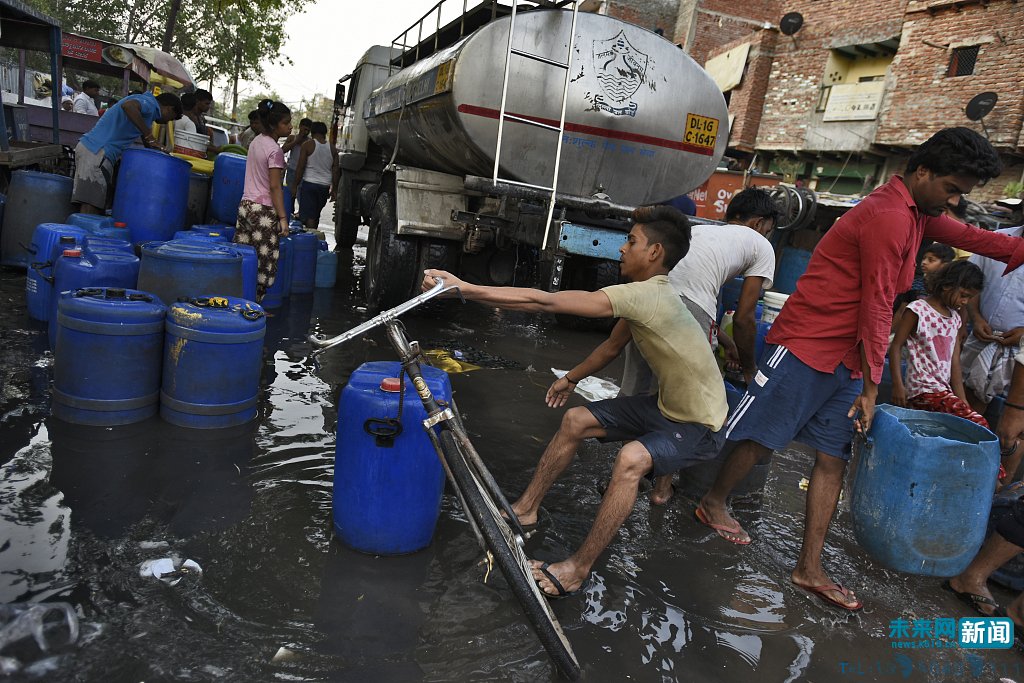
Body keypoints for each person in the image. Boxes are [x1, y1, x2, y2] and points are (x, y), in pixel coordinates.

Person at [696, 127, 1024, 612]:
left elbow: (978, 238)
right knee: (764, 437)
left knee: (834, 457)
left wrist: (1016, 250)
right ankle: (714, 501)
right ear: (923, 171)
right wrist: (874, 385)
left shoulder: (921, 211)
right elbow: (876, 306)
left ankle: (809, 566)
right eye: (952, 189)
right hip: (809, 342)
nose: (955, 201)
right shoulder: (890, 216)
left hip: (850, 355)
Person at [422, 205, 729, 598]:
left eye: (631, 242)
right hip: (667, 407)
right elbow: (611, 347)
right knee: (576, 420)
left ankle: (576, 569)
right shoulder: (648, 298)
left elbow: (544, 302)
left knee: (630, 460)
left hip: (699, 423)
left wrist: (462, 288)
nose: (621, 249)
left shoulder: (648, 297)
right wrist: (570, 378)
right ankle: (526, 508)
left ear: (654, 253)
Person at [620, 187, 779, 393]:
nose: (766, 235)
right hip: (685, 311)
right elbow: (743, 319)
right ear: (758, 223)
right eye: (767, 230)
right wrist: (750, 370)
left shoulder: (699, 231)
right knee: (683, 399)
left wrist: (726, 342)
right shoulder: (762, 245)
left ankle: (606, 422)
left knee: (633, 390)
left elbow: (684, 289)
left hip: (647, 296)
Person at [889, 260, 988, 427]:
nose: (965, 302)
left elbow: (954, 362)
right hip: (922, 390)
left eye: (969, 298)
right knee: (978, 425)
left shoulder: (955, 318)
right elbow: (896, 347)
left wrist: (962, 399)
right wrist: (898, 386)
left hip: (942, 391)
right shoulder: (918, 310)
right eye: (963, 295)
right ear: (947, 286)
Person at [72, 91, 182, 214]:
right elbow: (128, 106)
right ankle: (81, 232)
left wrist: (157, 147)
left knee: (95, 203)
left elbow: (148, 143)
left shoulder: (146, 107)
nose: (167, 122)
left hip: (94, 150)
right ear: (169, 109)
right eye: (171, 118)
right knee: (90, 204)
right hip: (98, 151)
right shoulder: (150, 104)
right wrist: (150, 137)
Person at [960, 221, 1024, 424]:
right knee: (967, 407)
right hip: (981, 337)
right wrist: (976, 317)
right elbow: (970, 281)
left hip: (1021, 354)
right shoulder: (997, 238)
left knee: (1011, 424)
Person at [232, 99, 292, 302]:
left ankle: (239, 303)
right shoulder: (275, 151)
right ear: (274, 125)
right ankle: (255, 306)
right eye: (286, 123)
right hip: (263, 211)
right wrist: (283, 218)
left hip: (245, 206)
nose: (290, 127)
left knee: (243, 258)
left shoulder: (256, 141)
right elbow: (275, 187)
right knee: (265, 261)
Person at [890, 243, 955, 330]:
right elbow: (902, 311)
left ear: (944, 265)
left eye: (931, 260)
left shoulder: (947, 289)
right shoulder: (913, 284)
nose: (924, 262)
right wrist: (890, 332)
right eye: (924, 258)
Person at [293, 122, 337, 231]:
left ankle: (310, 238)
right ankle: (313, 234)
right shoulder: (332, 148)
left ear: (312, 132)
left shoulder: (308, 145)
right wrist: (334, 189)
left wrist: (295, 184)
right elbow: (336, 170)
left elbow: (300, 166)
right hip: (324, 186)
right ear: (325, 133)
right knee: (316, 214)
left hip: (309, 184)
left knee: (310, 216)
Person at [283, 118, 313, 216]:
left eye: (307, 131)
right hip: (292, 170)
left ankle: (301, 215)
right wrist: (297, 141)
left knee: (302, 197)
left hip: (304, 173)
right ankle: (289, 213)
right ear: (300, 127)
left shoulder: (310, 142)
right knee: (290, 195)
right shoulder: (292, 138)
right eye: (304, 129)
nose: (305, 132)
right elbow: (283, 150)